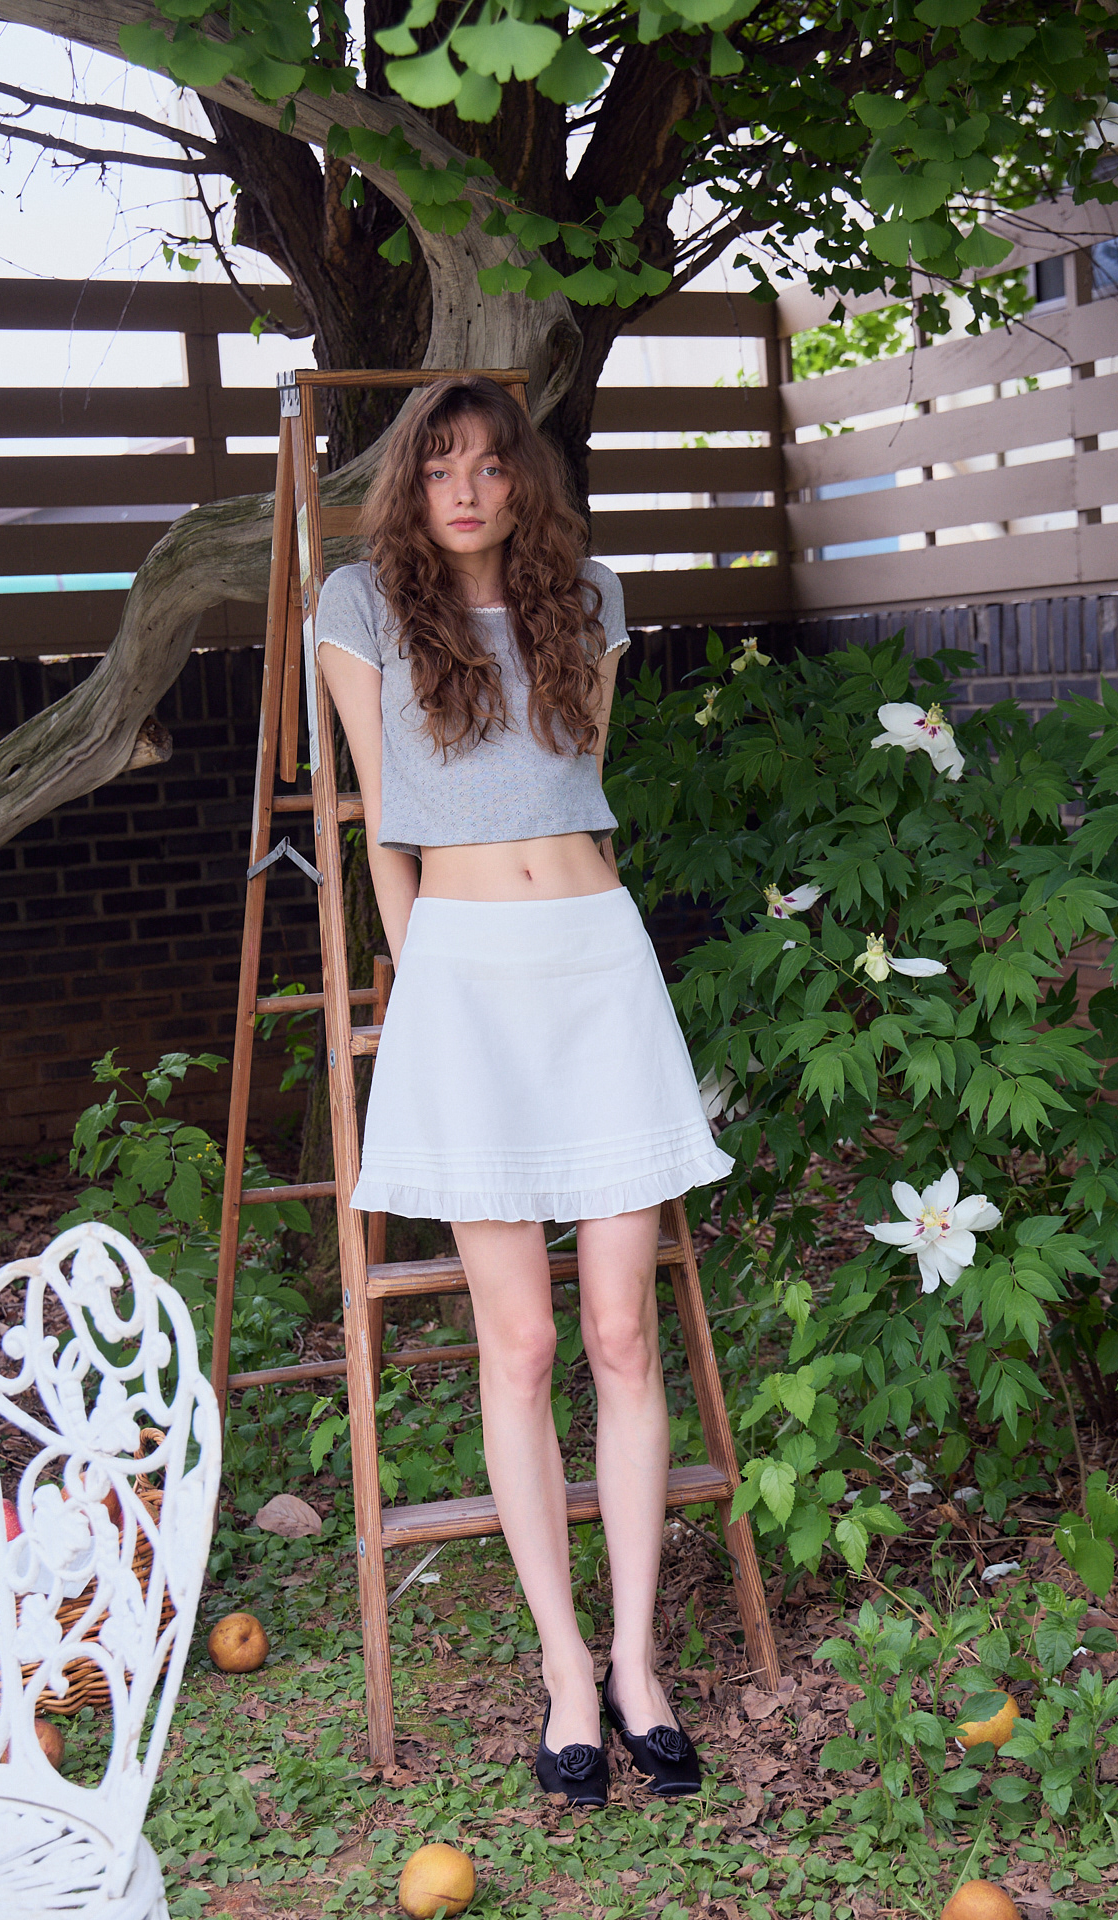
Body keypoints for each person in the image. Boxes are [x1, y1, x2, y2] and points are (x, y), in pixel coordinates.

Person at [315, 374, 733, 1806]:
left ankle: (637, 1663)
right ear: (412, 485)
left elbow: (578, 783)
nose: (467, 490)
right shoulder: (362, 607)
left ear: (523, 482)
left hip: (597, 965)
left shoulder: (588, 599)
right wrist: (422, 985)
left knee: (623, 1332)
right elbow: (384, 825)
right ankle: (563, 1669)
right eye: (440, 467)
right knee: (524, 1343)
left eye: (491, 465)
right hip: (464, 977)